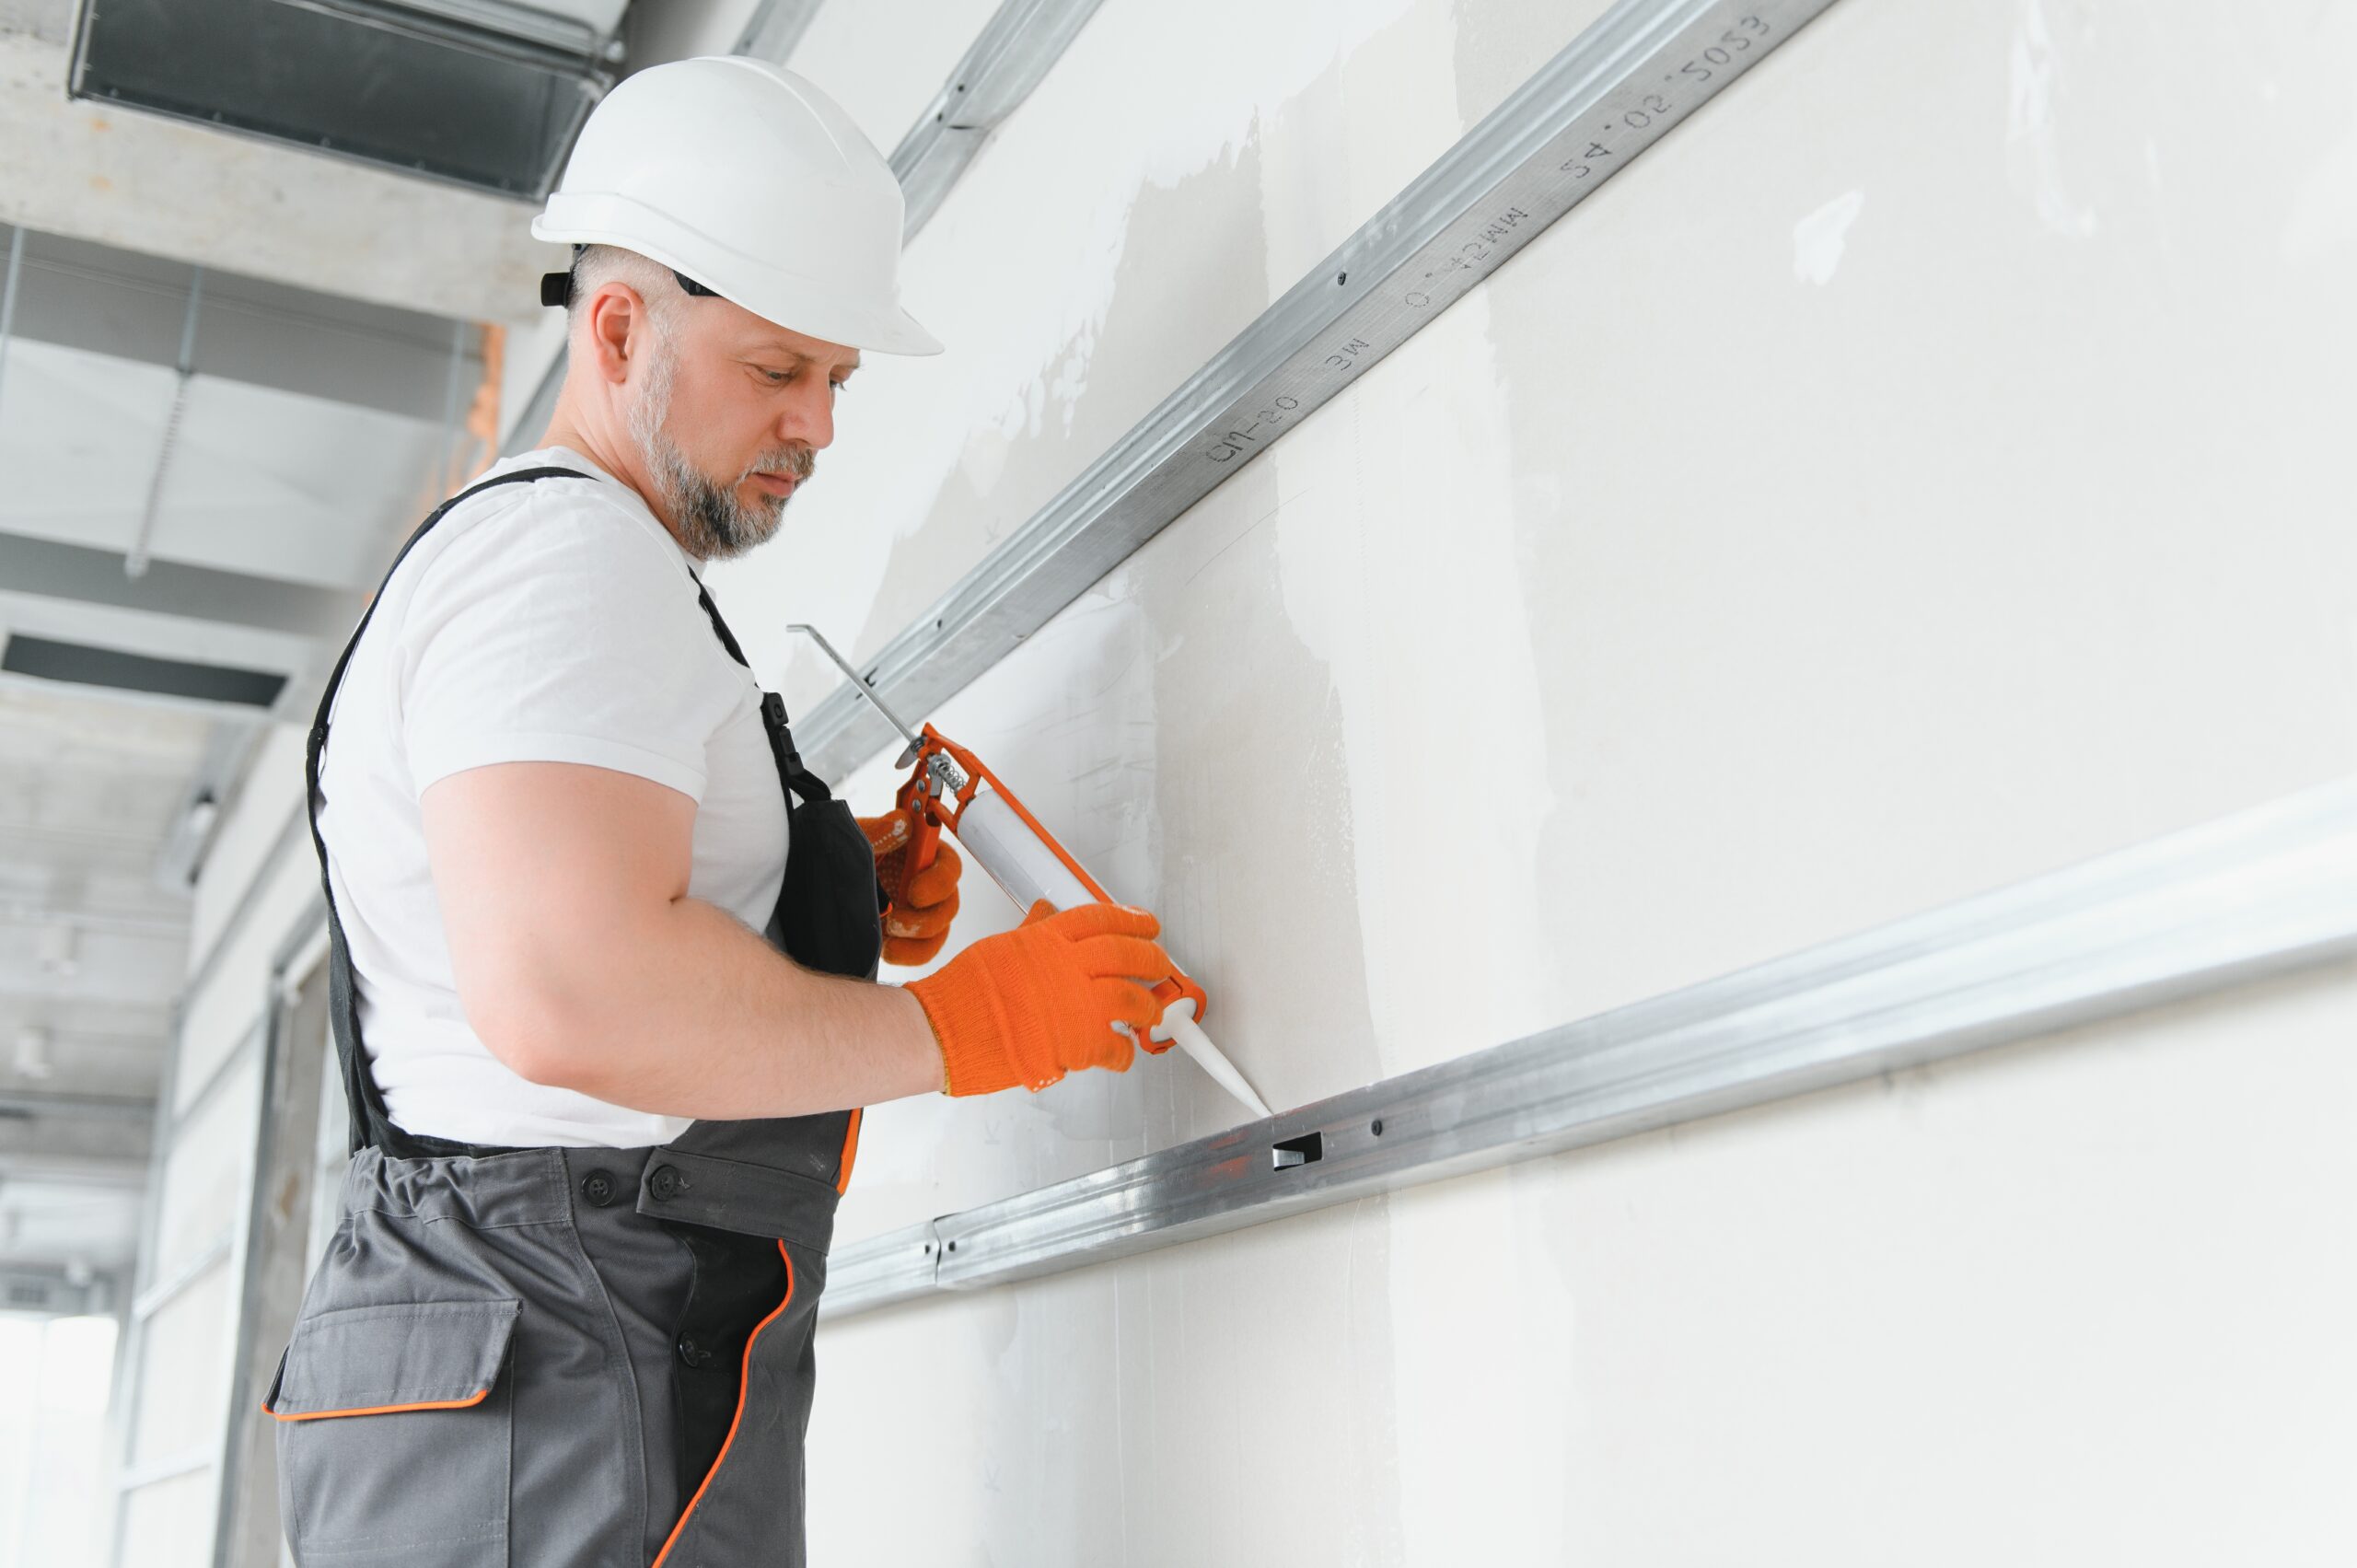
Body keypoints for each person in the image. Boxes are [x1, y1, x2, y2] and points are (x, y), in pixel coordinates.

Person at [265, 57, 1178, 1567]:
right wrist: (968, 1028)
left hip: (549, 1344)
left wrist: (811, 901)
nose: (818, 424)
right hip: (564, 1345)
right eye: (775, 371)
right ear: (619, 326)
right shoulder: (564, 568)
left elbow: (569, 917)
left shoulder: (567, 570)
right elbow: (571, 992)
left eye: (839, 380)